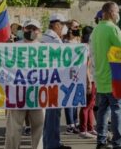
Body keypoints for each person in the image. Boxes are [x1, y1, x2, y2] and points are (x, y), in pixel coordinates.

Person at [91, 2, 121, 149]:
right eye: (117, 11)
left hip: (100, 78)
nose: (117, 14)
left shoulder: (96, 29)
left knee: (102, 113)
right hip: (114, 79)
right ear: (111, 12)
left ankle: (101, 141)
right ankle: (117, 142)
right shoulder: (112, 28)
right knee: (117, 112)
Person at [4, 19, 45, 149]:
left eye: (34, 29)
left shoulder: (45, 49)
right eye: (29, 28)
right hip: (17, 94)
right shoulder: (13, 47)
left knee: (40, 128)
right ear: (23, 30)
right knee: (13, 130)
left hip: (38, 94)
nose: (31, 31)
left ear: (39, 31)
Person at [42, 13, 71, 149]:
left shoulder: (45, 37)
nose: (65, 28)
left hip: (48, 81)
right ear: (57, 25)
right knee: (53, 115)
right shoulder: (52, 40)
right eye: (64, 24)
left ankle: (50, 142)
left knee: (50, 116)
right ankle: (52, 144)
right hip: (53, 81)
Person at [63, 20, 81, 134]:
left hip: (77, 72)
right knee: (68, 99)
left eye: (78, 26)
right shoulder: (64, 42)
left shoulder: (78, 40)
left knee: (75, 98)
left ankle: (76, 121)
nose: (78, 28)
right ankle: (70, 124)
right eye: (76, 27)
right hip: (66, 73)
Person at [79, 26, 98, 139]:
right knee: (86, 105)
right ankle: (83, 129)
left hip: (92, 78)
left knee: (91, 105)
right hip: (89, 79)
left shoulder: (87, 47)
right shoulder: (86, 48)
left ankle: (90, 128)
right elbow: (85, 66)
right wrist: (88, 82)